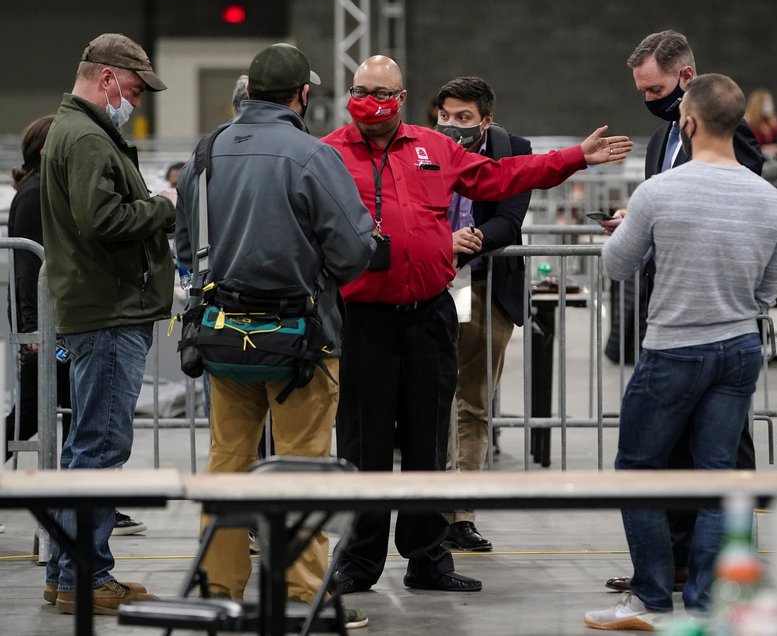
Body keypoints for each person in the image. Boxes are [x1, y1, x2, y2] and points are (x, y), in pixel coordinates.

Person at [322, 54, 630, 594]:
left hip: (429, 316)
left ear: (400, 96)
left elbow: (502, 176)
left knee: (426, 443)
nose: (372, 99)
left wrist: (575, 158)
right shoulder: (326, 154)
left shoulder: (433, 147)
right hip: (364, 320)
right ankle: (359, 562)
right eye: (362, 88)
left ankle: (426, 558)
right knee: (363, 448)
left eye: (383, 91)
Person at [174, 43, 375, 624]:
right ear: (302, 95)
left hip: (223, 338)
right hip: (300, 343)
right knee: (302, 466)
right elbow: (353, 250)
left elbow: (189, 249)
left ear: (247, 91)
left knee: (228, 462)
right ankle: (301, 593)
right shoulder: (312, 156)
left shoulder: (206, 152)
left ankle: (219, 590)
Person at [585, 73, 777, 630]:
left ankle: (651, 597)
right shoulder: (771, 199)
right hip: (740, 348)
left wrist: (626, 230)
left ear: (689, 122)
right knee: (717, 476)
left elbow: (618, 267)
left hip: (674, 347)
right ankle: (703, 600)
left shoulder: (659, 191)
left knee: (639, 472)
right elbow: (769, 291)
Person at [602, 29, 764, 597]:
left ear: (687, 84)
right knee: (693, 462)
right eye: (642, 89)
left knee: (659, 466)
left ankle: (685, 583)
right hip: (727, 333)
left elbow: (624, 260)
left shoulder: (735, 145)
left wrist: (638, 223)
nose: (648, 98)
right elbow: (772, 280)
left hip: (685, 330)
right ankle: (687, 577)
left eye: (655, 88)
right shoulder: (661, 142)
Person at [39, 32, 172, 616]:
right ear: (109, 78)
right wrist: (165, 205)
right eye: (136, 90)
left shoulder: (71, 131)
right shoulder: (89, 137)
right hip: (109, 310)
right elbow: (103, 219)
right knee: (100, 447)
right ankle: (86, 579)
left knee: (83, 448)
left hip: (98, 307)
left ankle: (65, 572)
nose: (136, 103)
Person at [432, 76, 531, 553]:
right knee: (430, 402)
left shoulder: (515, 149)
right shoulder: (422, 146)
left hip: (486, 287)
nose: (451, 126)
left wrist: (466, 244)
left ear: (486, 120)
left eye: (463, 118)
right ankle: (427, 508)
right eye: (445, 115)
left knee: (473, 403)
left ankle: (461, 514)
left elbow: (509, 221)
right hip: (430, 284)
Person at [5, 116, 72, 465]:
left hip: (55, 322)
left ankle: (81, 504)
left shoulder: (47, 188)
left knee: (73, 410)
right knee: (28, 417)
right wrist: (33, 324)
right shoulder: (35, 194)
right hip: (43, 327)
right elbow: (28, 265)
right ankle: (80, 506)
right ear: (47, 149)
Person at [744, 87, 777, 158]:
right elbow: (745, 146)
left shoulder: (774, 125)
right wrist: (764, 149)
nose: (769, 106)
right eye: (766, 103)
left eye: (770, 103)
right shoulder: (748, 124)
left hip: (774, 163)